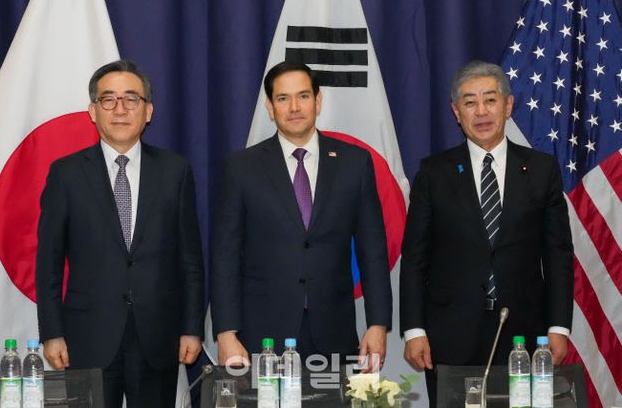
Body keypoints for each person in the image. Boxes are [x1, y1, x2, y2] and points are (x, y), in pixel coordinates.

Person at [399, 60, 574, 405]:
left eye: (490, 100)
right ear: (456, 112)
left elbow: (558, 255)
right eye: (470, 102)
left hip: (524, 334)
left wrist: (558, 327)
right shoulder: (433, 174)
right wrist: (414, 330)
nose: (481, 111)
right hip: (450, 334)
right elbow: (415, 258)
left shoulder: (542, 170)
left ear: (508, 106)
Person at [36, 60, 204, 407]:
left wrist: (192, 327)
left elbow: (190, 259)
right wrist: (51, 333)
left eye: (131, 99)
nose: (120, 109)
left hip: (158, 336)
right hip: (87, 337)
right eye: (108, 99)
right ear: (93, 111)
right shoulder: (66, 174)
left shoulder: (175, 171)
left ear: (148, 111)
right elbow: (48, 262)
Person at [211, 61, 392, 371]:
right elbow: (225, 255)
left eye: (303, 96)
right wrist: (226, 333)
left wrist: (378, 324)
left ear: (318, 101)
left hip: (334, 331)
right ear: (270, 107)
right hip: (263, 335)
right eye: (283, 98)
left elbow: (372, 250)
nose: (294, 107)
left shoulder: (354, 162)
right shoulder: (241, 168)